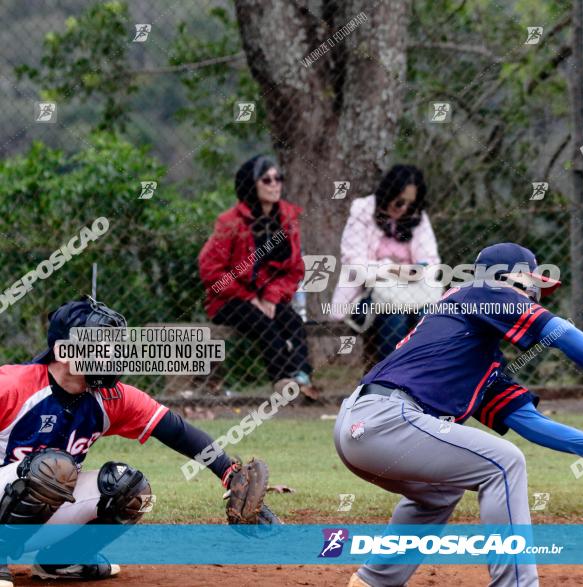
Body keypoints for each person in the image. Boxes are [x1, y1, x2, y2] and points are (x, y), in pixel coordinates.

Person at [334, 243, 583, 587]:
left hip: (366, 428)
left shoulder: (474, 354)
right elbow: (561, 333)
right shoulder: (482, 291)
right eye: (528, 284)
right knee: (505, 463)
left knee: (440, 492)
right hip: (386, 420)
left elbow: (530, 423)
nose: (534, 296)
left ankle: (374, 582)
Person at [0, 297, 277, 587]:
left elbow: (176, 430)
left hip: (32, 501)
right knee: (53, 469)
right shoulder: (13, 386)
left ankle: (61, 560)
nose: (110, 353)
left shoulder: (108, 397)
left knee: (130, 488)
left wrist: (227, 471)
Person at [199, 154, 317, 399]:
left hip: (269, 298)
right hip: (229, 299)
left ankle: (302, 377)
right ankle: (284, 382)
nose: (275, 184)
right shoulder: (230, 222)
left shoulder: (286, 220)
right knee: (265, 326)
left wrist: (272, 297)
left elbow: (294, 269)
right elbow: (210, 269)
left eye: (278, 178)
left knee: (292, 321)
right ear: (251, 184)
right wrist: (249, 297)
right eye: (267, 179)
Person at [330, 165, 441, 367]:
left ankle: (425, 376)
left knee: (428, 317)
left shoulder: (418, 218)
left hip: (412, 291)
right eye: (399, 202)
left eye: (411, 204)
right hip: (368, 292)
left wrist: (419, 270)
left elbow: (432, 261)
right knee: (394, 315)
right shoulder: (363, 210)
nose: (404, 209)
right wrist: (391, 269)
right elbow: (353, 261)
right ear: (388, 193)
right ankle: (390, 377)